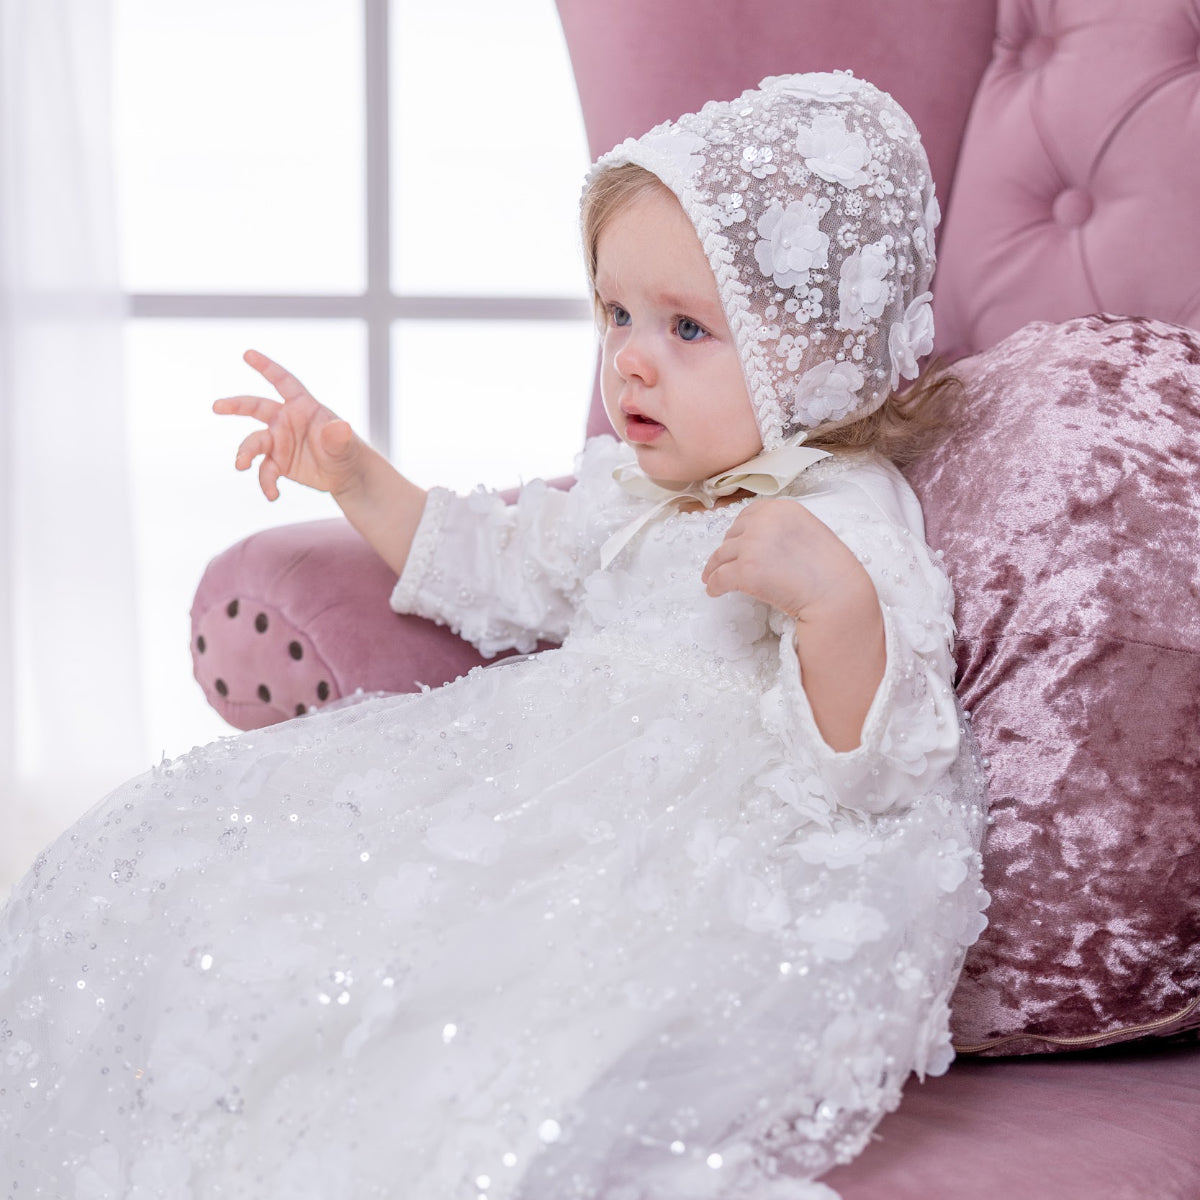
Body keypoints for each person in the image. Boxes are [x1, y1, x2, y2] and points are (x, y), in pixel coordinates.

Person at [0, 73, 987, 1199]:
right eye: (615, 314)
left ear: (811, 352)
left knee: (525, 999)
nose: (630, 360)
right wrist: (349, 468)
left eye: (686, 328)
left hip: (676, 830)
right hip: (534, 771)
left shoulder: (841, 511)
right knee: (254, 889)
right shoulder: (626, 492)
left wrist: (834, 608)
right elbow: (494, 566)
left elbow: (876, 758)